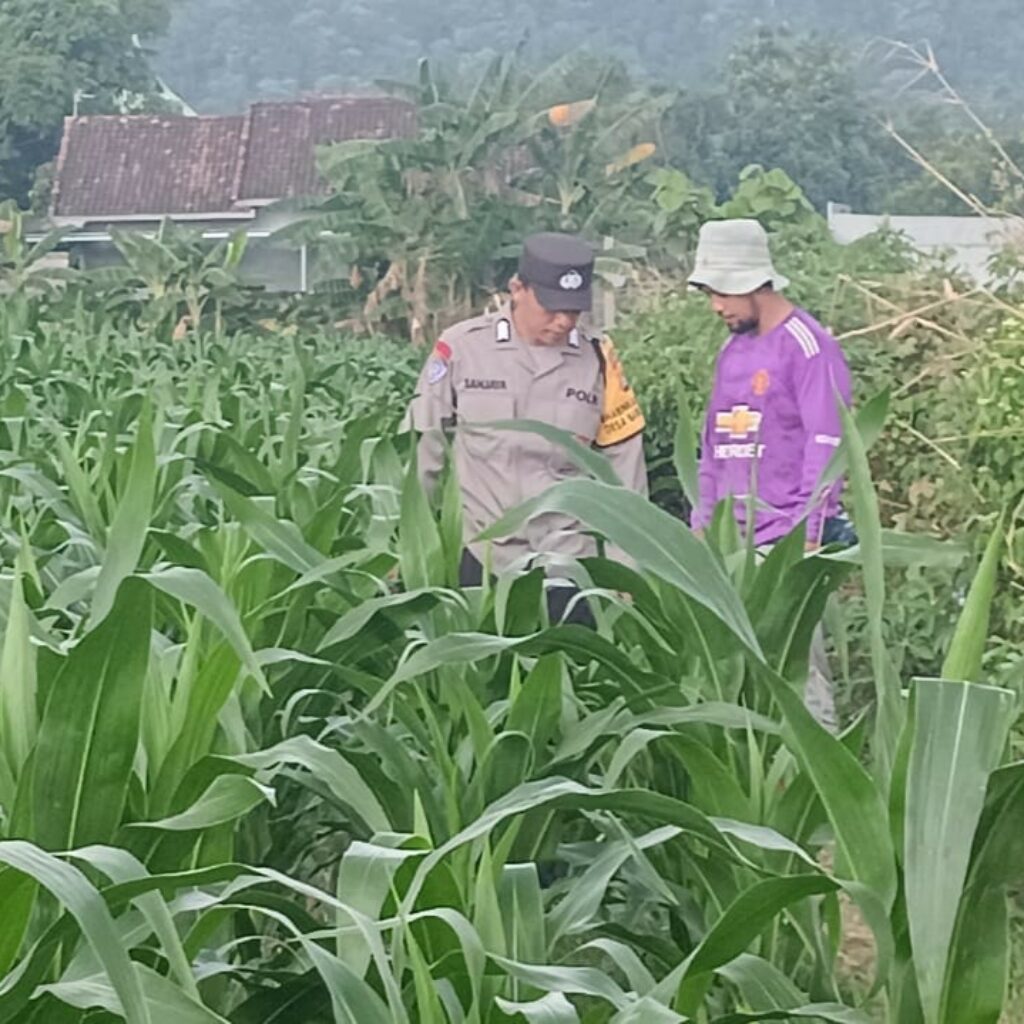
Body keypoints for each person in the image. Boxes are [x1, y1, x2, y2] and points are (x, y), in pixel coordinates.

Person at [403, 232, 648, 625]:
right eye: (552, 307)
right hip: (483, 558)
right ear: (518, 289)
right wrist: (407, 540)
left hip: (568, 563)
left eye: (573, 310)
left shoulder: (598, 359)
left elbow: (625, 467)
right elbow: (422, 446)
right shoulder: (463, 348)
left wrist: (625, 566)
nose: (564, 321)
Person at [688, 218, 855, 730]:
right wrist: (701, 530)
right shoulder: (731, 351)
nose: (716, 305)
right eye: (710, 292)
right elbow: (713, 450)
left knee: (801, 675)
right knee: (734, 678)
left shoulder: (808, 346)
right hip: (730, 546)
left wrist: (805, 541)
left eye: (722, 292)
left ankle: (818, 784)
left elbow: (828, 449)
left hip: (785, 543)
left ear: (753, 282)